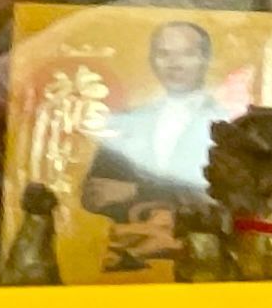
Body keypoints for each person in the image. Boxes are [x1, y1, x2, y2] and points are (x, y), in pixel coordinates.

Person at [87, 20, 241, 206]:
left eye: (187, 53)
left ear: (206, 59)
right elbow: (96, 194)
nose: (174, 64)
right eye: (163, 54)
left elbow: (230, 194)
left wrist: (139, 192)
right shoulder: (127, 121)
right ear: (151, 61)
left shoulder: (230, 123)